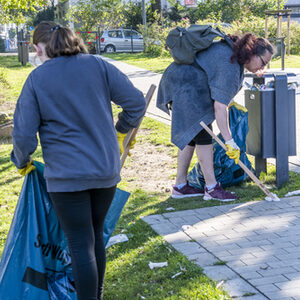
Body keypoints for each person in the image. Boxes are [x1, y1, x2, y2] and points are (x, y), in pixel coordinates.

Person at [10, 21, 146, 300]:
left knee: (79, 244)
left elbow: (23, 135)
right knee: (94, 238)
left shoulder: (37, 79)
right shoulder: (99, 65)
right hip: (105, 171)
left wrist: (21, 160)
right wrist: (121, 130)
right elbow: (135, 102)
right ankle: (95, 295)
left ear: (38, 48)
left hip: (67, 177)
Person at [157, 33, 274, 202]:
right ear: (252, 53)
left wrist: (230, 101)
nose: (262, 68)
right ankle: (211, 188)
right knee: (203, 133)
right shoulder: (230, 62)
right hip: (185, 88)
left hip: (181, 84)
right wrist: (229, 141)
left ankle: (180, 186)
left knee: (192, 135)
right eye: (263, 62)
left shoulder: (233, 53)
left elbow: (216, 82)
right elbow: (219, 107)